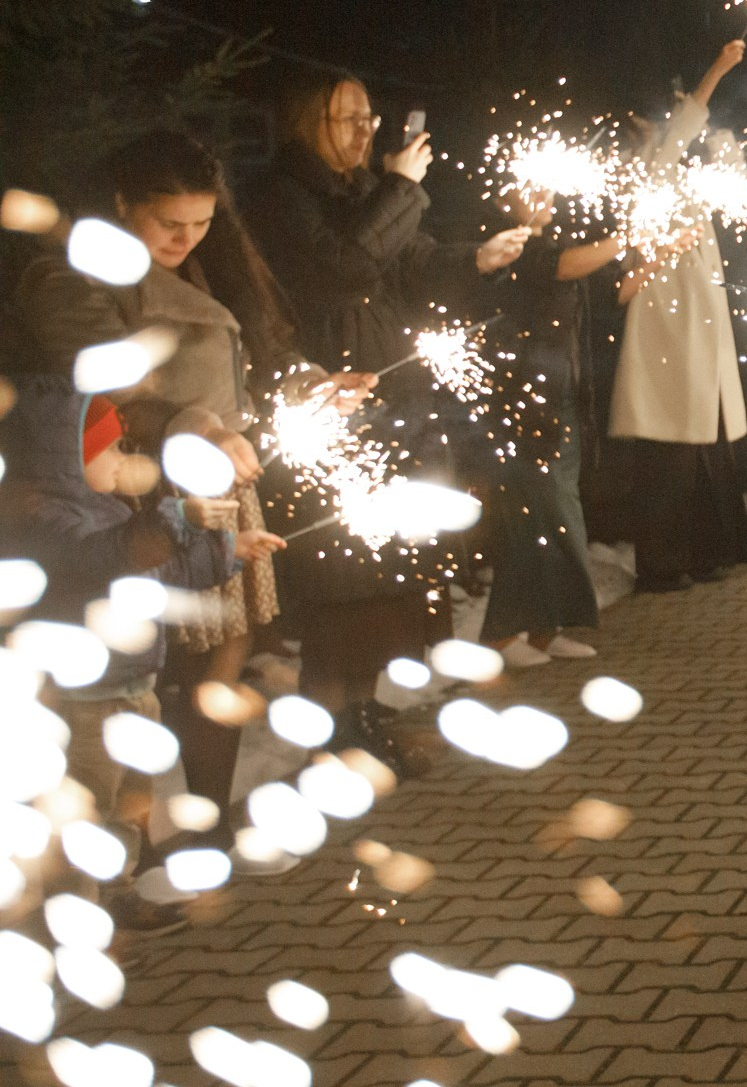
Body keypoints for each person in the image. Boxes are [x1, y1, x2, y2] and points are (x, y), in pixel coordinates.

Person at [14, 129, 323, 818]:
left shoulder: (203, 270)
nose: (188, 238)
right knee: (160, 677)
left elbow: (232, 372)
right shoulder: (69, 275)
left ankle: (200, 827)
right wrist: (190, 426)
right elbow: (110, 385)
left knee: (219, 664)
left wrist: (306, 385)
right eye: (169, 222)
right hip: (141, 490)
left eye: (203, 221)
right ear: (123, 204)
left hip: (216, 478)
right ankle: (139, 854)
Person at [251, 75, 530, 758]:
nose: (363, 130)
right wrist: (401, 186)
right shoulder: (281, 194)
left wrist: (479, 259)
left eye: (368, 117)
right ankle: (330, 731)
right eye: (345, 118)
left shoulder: (360, 191)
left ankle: (364, 714)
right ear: (304, 119)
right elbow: (343, 264)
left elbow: (413, 263)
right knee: (341, 581)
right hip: (329, 408)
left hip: (390, 408)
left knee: (385, 578)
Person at [0, 378, 274, 930]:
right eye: (113, 451)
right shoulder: (47, 520)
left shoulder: (112, 511)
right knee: (86, 808)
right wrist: (175, 519)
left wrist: (227, 552)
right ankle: (74, 908)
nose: (126, 462)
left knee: (129, 804)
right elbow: (104, 559)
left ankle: (118, 888)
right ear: (69, 463)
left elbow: (162, 573)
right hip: (82, 703)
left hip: (132, 689)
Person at [607, 41, 747, 593]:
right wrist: (717, 69)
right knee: (671, 447)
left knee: (703, 441)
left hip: (699, 318)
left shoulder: (673, 170)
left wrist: (729, 152)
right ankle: (664, 563)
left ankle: (705, 551)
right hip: (668, 324)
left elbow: (728, 186)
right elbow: (683, 129)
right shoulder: (645, 169)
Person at [475, 179, 621, 666]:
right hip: (525, 402)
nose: (549, 200)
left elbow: (599, 282)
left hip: (560, 397)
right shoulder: (510, 247)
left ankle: (543, 631)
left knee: (559, 511)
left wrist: (651, 249)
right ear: (505, 200)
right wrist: (628, 237)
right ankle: (499, 638)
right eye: (533, 192)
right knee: (534, 516)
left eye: (551, 192)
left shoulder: (551, 244)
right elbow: (559, 267)